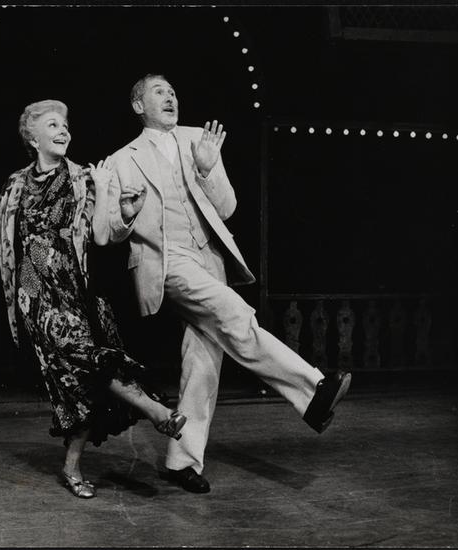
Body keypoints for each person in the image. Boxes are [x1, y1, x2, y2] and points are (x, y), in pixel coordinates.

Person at [103, 74, 351, 494]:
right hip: (167, 262)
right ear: (138, 106)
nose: (170, 96)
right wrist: (126, 213)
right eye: (159, 92)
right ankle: (313, 390)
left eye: (173, 91)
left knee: (202, 359)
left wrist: (205, 169)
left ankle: (181, 461)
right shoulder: (121, 160)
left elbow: (227, 207)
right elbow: (110, 231)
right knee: (233, 310)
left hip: (209, 258)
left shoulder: (200, 140)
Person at [0, 99, 186, 499]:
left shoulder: (82, 178)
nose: (63, 130)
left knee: (80, 380)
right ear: (33, 138)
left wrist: (111, 196)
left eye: (64, 125)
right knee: (81, 355)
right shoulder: (15, 185)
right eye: (52, 125)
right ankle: (157, 412)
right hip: (33, 288)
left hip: (77, 289)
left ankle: (72, 466)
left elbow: (101, 237)